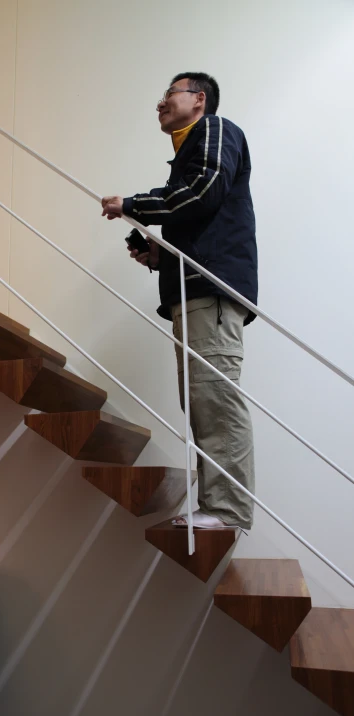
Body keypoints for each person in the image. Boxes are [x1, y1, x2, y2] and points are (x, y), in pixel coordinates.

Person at [101, 72, 257, 530]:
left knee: (214, 400)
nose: (161, 103)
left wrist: (132, 204)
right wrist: (158, 257)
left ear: (199, 99)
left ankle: (226, 510)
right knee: (204, 401)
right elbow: (198, 213)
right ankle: (219, 506)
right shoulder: (189, 152)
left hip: (209, 293)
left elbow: (201, 196)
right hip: (196, 292)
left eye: (169, 93)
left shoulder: (214, 129)